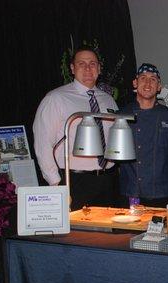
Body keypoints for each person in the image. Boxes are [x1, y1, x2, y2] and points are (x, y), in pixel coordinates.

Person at [33, 45, 118, 211]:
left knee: (107, 236)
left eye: (92, 63)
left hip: (107, 182)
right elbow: (42, 143)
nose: (87, 68)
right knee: (75, 236)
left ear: (99, 69)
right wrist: (56, 184)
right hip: (73, 181)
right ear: (72, 68)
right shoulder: (55, 98)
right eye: (81, 64)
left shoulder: (108, 100)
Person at [118, 63, 168, 208]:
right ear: (135, 82)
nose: (147, 83)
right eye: (143, 78)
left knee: (164, 231)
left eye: (153, 79)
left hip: (163, 191)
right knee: (130, 231)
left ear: (159, 87)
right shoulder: (121, 115)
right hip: (131, 191)